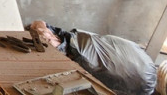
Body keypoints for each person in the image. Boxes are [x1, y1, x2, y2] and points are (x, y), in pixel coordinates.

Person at [28, 20, 161, 95]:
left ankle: (53, 38)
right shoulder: (142, 85)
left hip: (79, 41)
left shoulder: (149, 66)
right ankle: (54, 40)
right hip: (79, 51)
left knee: (40, 30)